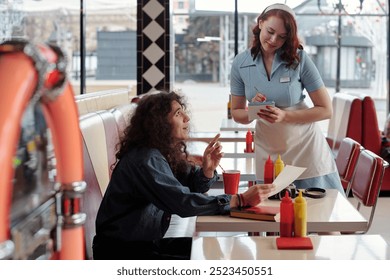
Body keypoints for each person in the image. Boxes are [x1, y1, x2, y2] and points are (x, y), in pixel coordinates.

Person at [92, 91, 275, 260]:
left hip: (145, 244)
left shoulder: (161, 153)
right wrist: (240, 200)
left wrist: (207, 170)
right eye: (178, 114)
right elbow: (182, 203)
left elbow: (192, 184)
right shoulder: (145, 160)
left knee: (213, 248)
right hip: (122, 253)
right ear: (159, 124)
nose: (187, 118)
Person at [229, 3, 344, 193]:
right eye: (270, 31)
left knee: (317, 214)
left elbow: (326, 110)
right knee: (270, 214)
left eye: (282, 37)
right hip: (268, 149)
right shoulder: (240, 63)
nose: (274, 40)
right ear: (260, 23)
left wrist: (284, 116)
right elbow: (237, 113)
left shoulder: (299, 59)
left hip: (305, 148)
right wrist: (254, 110)